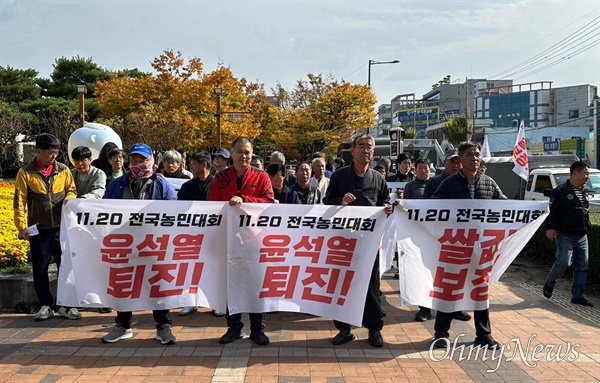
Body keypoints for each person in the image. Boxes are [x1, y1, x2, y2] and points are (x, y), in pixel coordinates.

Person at [431, 141, 506, 350]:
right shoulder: (449, 184)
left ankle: (484, 334)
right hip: (456, 246)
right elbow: (432, 208)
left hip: (481, 248)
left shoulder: (489, 183)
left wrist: (534, 210)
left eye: (477, 154)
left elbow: (506, 207)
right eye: (470, 155)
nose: (475, 158)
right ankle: (441, 332)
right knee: (449, 288)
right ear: (461, 160)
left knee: (480, 290)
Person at [101, 143, 178, 344]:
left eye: (142, 160)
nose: (138, 164)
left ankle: (163, 326)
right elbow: (102, 211)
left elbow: (174, 213)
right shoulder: (116, 185)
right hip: (125, 245)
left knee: (157, 283)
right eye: (134, 161)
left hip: (154, 244)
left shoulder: (162, 185)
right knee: (124, 283)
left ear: (151, 160)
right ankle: (123, 325)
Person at [324, 133, 393, 348]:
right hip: (344, 241)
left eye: (369, 147)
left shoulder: (378, 178)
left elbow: (384, 201)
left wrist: (388, 208)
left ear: (373, 152)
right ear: (352, 151)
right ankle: (344, 329)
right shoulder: (339, 176)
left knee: (372, 287)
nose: (365, 150)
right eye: (361, 146)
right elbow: (327, 202)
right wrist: (340, 202)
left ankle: (374, 329)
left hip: (369, 243)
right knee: (343, 285)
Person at [210, 137, 274, 346]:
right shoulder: (220, 179)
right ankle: (234, 327)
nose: (244, 156)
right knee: (231, 285)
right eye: (239, 152)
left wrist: (246, 201)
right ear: (232, 153)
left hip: (255, 241)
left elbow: (269, 202)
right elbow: (212, 207)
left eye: (247, 152)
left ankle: (258, 328)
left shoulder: (261, 177)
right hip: (229, 240)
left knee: (257, 284)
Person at [13, 133, 79, 320]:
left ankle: (67, 305)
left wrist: (70, 198)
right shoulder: (25, 172)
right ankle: (45, 305)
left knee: (66, 267)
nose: (54, 156)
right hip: (38, 229)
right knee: (40, 268)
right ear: (39, 151)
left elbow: (72, 189)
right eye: (51, 152)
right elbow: (19, 201)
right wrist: (21, 226)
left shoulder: (63, 170)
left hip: (62, 228)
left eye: (56, 152)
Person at [415, 148, 470, 323]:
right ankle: (425, 308)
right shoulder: (434, 182)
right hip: (437, 236)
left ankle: (456, 308)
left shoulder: (466, 182)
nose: (455, 165)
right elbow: (427, 209)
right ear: (444, 163)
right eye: (452, 162)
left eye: (458, 162)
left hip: (459, 238)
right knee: (431, 272)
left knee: (457, 274)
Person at [176, 151, 225, 317]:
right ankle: (191, 302)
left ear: (204, 164)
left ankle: (216, 303)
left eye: (194, 163)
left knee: (214, 269)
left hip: (214, 236)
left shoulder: (218, 184)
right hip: (192, 236)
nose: (191, 167)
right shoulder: (187, 187)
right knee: (190, 269)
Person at [543, 161, 594, 308]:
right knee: (564, 262)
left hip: (582, 235)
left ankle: (577, 296)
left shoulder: (583, 191)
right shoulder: (561, 191)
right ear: (575, 173)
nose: (587, 177)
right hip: (565, 235)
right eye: (586, 173)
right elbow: (550, 211)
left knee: (582, 266)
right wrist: (550, 228)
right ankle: (550, 282)